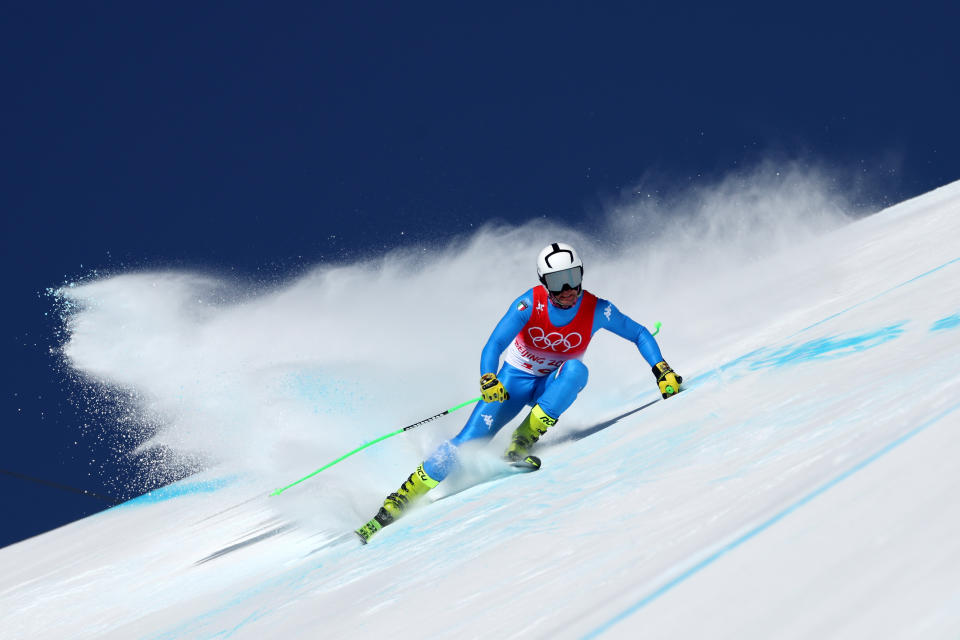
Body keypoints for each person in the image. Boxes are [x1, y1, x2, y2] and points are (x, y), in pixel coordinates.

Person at [355, 242, 682, 543]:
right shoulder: (529, 304)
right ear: (544, 283)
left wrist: (662, 370)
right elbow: (495, 343)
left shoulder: (598, 309)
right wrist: (487, 377)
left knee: (577, 371)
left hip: (548, 382)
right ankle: (399, 499)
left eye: (572, 277)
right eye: (557, 281)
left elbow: (639, 333)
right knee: (466, 442)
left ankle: (521, 441)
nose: (568, 289)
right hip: (510, 385)